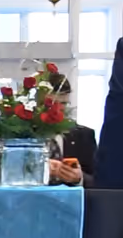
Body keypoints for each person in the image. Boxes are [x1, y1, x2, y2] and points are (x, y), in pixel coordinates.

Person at [49, 37, 123, 184]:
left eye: (63, 103)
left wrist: (78, 178)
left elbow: (98, 181)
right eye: (50, 103)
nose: (58, 109)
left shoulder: (83, 136)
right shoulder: (19, 139)